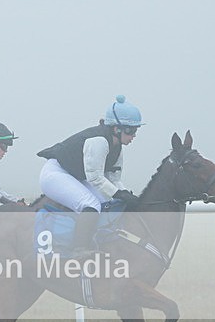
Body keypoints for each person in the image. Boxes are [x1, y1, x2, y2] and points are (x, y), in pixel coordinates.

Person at [37, 94, 144, 255]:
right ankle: (79, 248)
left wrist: (126, 194)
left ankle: (97, 239)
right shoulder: (99, 141)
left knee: (109, 201)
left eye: (135, 130)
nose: (133, 135)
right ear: (116, 128)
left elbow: (114, 180)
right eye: (131, 130)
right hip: (55, 173)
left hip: (75, 175)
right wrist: (119, 193)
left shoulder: (117, 148)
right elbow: (95, 178)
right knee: (91, 205)